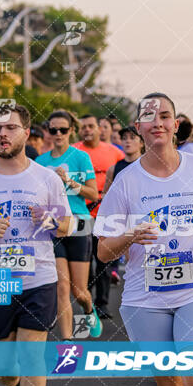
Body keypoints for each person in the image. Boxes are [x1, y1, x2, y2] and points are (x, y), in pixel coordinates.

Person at [94, 92, 193, 386]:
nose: (157, 123)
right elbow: (103, 251)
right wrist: (130, 236)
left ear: (176, 124)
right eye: (149, 117)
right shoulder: (126, 181)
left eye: (165, 116)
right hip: (145, 300)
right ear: (138, 127)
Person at [0, 104, 73, 386]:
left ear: (25, 132)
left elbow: (67, 225)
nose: (2, 135)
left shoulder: (47, 178)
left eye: (10, 128)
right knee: (4, 369)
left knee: (32, 355)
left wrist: (47, 219)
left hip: (39, 280)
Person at [36, 110, 103, 341]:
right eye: (53, 130)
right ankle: (67, 343)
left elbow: (93, 194)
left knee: (79, 291)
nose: (58, 134)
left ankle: (88, 307)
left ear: (71, 131)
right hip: (53, 225)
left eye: (63, 130)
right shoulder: (40, 162)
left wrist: (68, 182)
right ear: (48, 132)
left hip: (79, 223)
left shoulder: (80, 157)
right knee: (62, 288)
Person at [73, 114, 125, 319]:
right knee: (83, 262)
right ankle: (86, 300)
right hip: (80, 214)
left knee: (103, 259)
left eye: (91, 126)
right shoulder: (74, 152)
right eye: (83, 127)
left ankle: (102, 303)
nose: (87, 130)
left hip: (105, 215)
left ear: (99, 129)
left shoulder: (114, 152)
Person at [102, 126, 145, 284]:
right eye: (124, 138)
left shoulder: (148, 165)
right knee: (130, 258)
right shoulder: (114, 169)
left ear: (141, 142)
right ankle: (134, 288)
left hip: (146, 215)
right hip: (124, 218)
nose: (127, 141)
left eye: (132, 138)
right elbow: (106, 196)